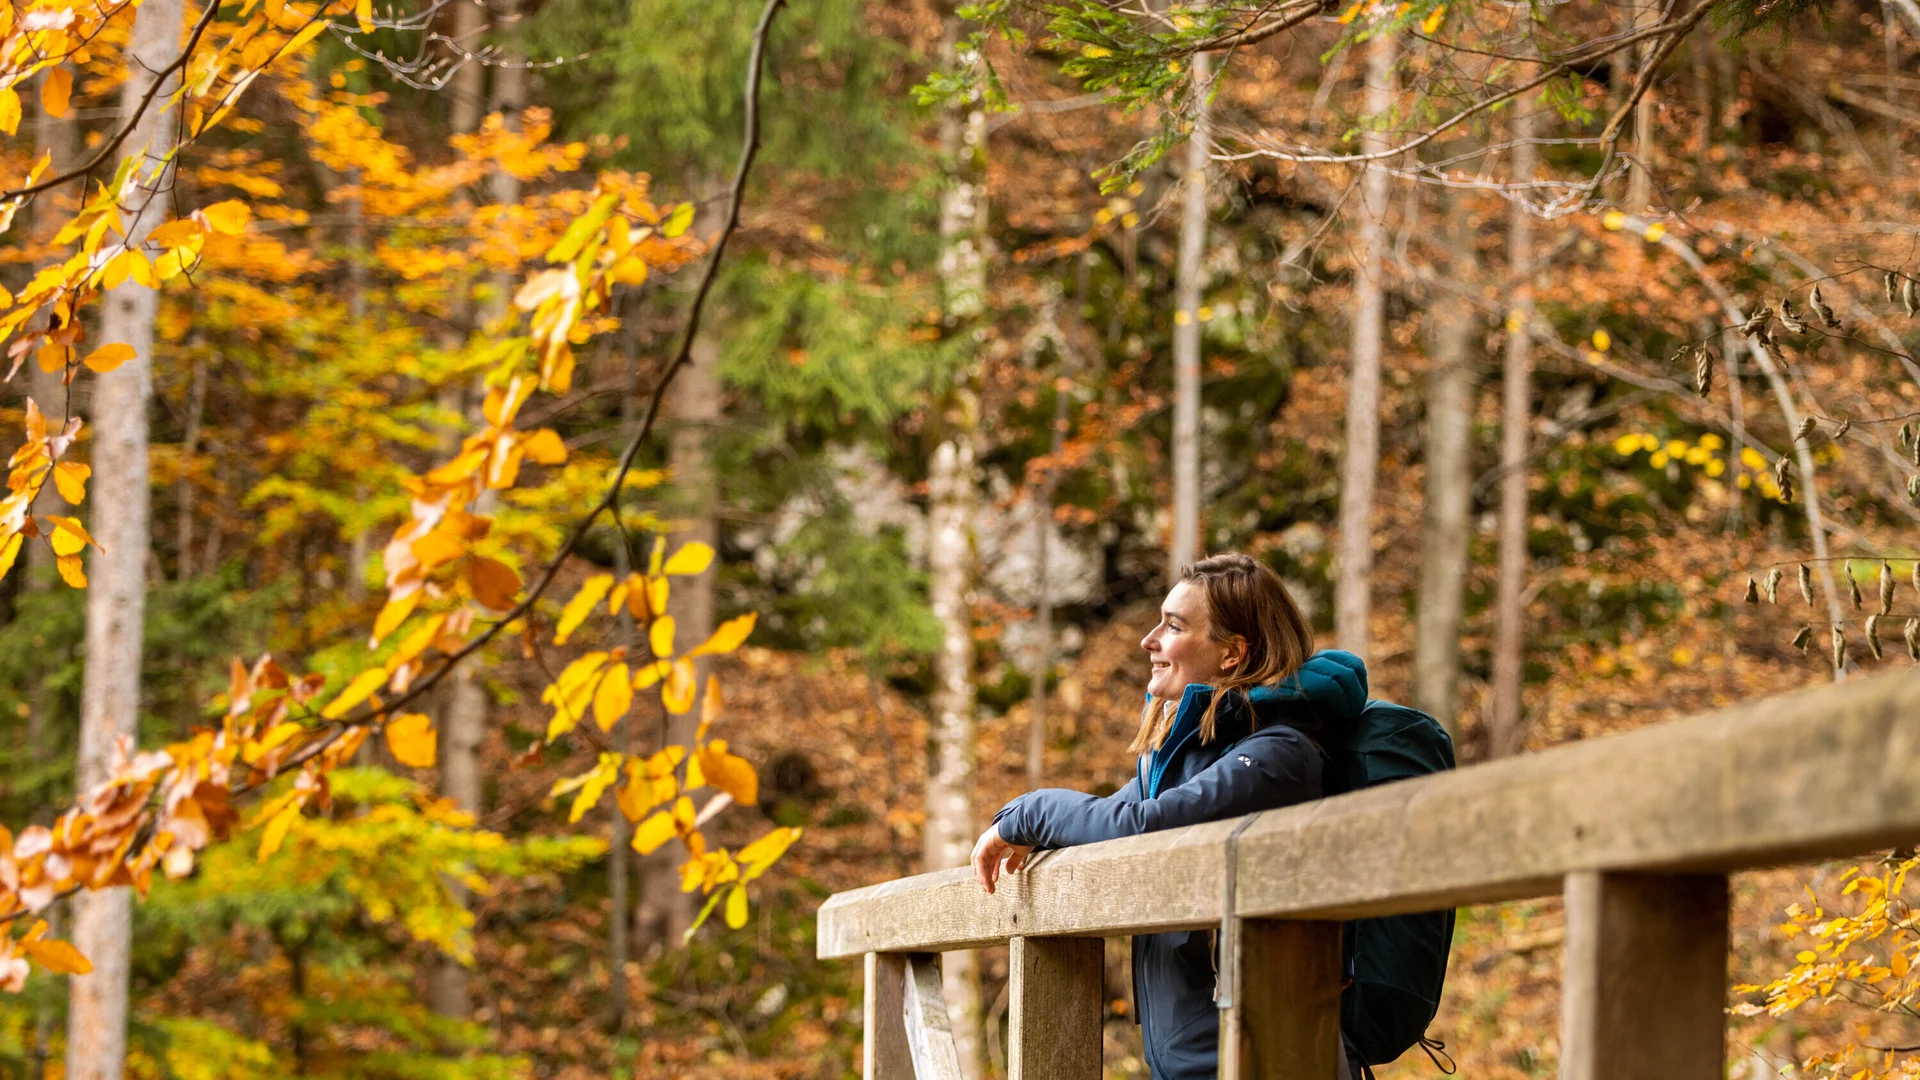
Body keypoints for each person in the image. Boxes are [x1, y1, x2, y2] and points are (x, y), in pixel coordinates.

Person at [971, 552, 1369, 1080]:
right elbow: (1114, 817)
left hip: (1263, 1061)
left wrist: (1025, 812)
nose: (1148, 639)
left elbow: (1141, 827)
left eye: (1174, 626)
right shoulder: (1188, 756)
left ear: (1232, 653)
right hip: (1200, 1062)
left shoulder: (1280, 755)